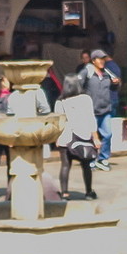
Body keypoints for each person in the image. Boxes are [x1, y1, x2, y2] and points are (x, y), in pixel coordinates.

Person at [54, 73, 100, 201]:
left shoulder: (60, 102)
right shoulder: (85, 99)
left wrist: (57, 138)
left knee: (65, 166)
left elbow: (58, 122)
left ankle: (64, 194)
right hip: (83, 136)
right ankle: (89, 192)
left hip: (65, 137)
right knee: (86, 165)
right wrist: (95, 137)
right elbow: (91, 119)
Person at [81, 49, 120, 170]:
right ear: (93, 61)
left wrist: (116, 84)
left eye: (103, 59)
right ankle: (91, 159)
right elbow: (77, 86)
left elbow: (114, 88)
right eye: (100, 59)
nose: (102, 61)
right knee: (90, 137)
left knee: (108, 134)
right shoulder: (87, 72)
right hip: (91, 111)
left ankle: (103, 159)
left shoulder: (107, 73)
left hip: (105, 109)